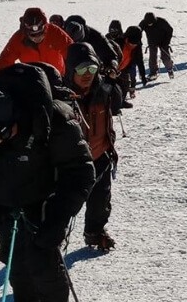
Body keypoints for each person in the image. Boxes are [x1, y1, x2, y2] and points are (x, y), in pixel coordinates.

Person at [0, 64, 94, 301]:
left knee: (46, 271)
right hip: (1, 210)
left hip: (44, 209)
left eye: (3, 134)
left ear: (17, 115)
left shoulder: (53, 117)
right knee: (17, 270)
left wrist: (58, 218)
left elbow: (79, 171)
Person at [63, 42, 126, 251]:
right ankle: (50, 243)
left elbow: (117, 103)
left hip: (100, 155)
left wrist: (112, 81)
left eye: (92, 68)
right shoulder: (61, 97)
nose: (87, 74)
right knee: (63, 208)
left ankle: (94, 233)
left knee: (100, 202)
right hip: (71, 164)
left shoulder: (103, 89)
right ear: (71, 69)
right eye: (82, 69)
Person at [0, 7, 72, 75]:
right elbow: (5, 61)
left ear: (45, 28)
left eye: (40, 34)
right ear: (26, 32)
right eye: (33, 35)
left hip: (58, 77)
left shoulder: (55, 32)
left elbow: (73, 52)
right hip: (33, 81)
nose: (37, 38)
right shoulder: (18, 38)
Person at [139, 12, 175, 78]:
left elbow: (170, 30)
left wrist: (167, 41)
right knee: (152, 57)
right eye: (148, 23)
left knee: (165, 57)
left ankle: (170, 70)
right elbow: (138, 31)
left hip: (163, 41)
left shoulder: (161, 21)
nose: (149, 24)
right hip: (152, 41)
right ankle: (153, 73)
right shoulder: (143, 23)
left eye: (151, 23)